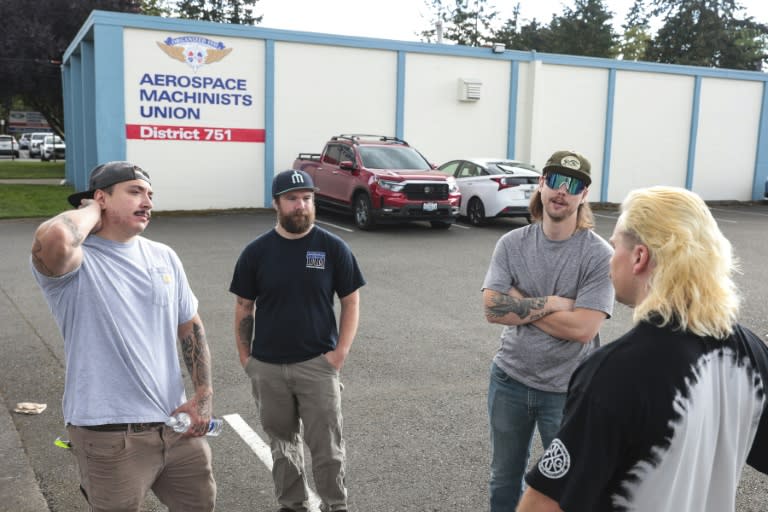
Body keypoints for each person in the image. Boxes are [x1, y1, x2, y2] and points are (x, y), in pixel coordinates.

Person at [519, 186, 768, 512]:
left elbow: (543, 505)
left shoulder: (615, 372)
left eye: (615, 246)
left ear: (639, 257)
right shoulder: (749, 351)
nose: (611, 257)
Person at [30, 161, 216, 512]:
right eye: (134, 192)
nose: (147, 201)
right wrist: (89, 209)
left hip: (175, 426)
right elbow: (55, 237)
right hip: (109, 435)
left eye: (150, 194)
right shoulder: (75, 264)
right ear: (100, 198)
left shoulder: (164, 256)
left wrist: (204, 393)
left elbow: (190, 326)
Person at [482, 150, 615, 511]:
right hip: (509, 380)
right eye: (555, 180)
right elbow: (493, 309)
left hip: (568, 391)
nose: (562, 191)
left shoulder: (598, 255)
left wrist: (522, 301)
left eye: (574, 185)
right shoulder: (512, 243)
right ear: (541, 185)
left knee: (571, 486)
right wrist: (556, 302)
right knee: (503, 479)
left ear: (584, 195)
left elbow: (584, 329)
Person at [230, 169, 365, 512]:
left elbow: (350, 302)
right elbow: (244, 307)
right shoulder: (256, 252)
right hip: (268, 367)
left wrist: (339, 355)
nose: (300, 205)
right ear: (276, 203)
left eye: (306, 198)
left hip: (317, 366)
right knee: (282, 445)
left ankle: (335, 505)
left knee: (327, 447)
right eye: (292, 199)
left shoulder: (333, 248)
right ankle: (293, 504)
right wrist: (248, 360)